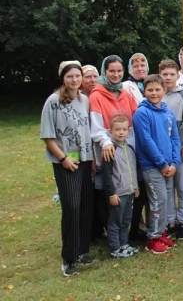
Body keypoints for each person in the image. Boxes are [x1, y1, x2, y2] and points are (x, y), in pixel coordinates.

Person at [41, 61, 94, 276]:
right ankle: (68, 258)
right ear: (63, 78)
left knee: (84, 205)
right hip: (66, 162)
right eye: (70, 76)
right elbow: (47, 136)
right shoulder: (53, 101)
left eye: (77, 76)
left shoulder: (84, 99)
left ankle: (81, 250)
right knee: (71, 206)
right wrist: (63, 158)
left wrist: (92, 160)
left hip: (85, 159)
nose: (75, 80)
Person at [89, 56, 141, 240]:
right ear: (105, 71)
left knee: (129, 194)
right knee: (110, 194)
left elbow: (135, 121)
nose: (116, 74)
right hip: (108, 149)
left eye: (119, 71)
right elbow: (95, 127)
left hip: (128, 149)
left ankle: (128, 233)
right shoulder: (97, 94)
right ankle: (111, 235)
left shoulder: (125, 93)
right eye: (112, 71)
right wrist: (107, 142)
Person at [133, 74, 180, 254]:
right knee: (157, 201)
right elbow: (146, 141)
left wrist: (175, 162)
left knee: (165, 200)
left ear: (164, 90)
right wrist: (161, 164)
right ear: (144, 92)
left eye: (157, 89)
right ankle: (152, 238)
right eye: (150, 90)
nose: (154, 93)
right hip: (152, 166)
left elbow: (175, 138)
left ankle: (160, 233)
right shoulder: (142, 113)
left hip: (169, 166)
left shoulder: (168, 113)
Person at [159, 59, 183, 240]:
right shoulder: (157, 96)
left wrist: (176, 147)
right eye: (164, 74)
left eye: (172, 74)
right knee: (167, 187)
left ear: (177, 75)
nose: (168, 77)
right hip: (163, 150)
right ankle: (170, 221)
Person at [101, 115, 140, 258]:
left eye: (124, 129)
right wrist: (111, 193)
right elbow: (107, 174)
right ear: (110, 131)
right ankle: (115, 248)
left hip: (129, 191)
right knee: (115, 222)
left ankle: (124, 244)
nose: (121, 132)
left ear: (128, 131)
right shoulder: (110, 150)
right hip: (118, 194)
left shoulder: (129, 148)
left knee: (125, 220)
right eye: (117, 130)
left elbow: (133, 169)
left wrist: (135, 187)